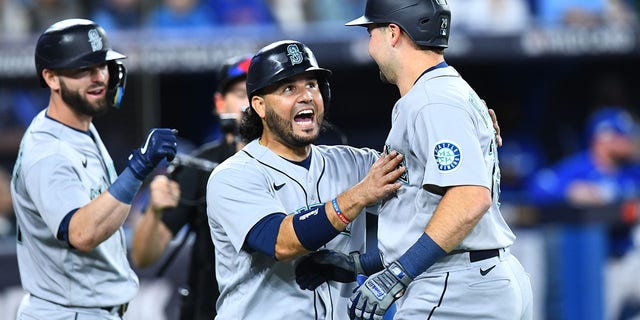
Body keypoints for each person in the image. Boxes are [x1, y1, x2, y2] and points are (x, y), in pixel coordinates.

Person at [296, 1, 533, 319]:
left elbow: (469, 199)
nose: (369, 45)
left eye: (370, 31)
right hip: (475, 277)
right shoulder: (446, 92)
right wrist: (358, 264)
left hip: (456, 286)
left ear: (393, 33)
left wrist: (398, 275)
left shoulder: (432, 100)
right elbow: (424, 213)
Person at [206, 39, 407, 319]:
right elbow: (280, 241)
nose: (306, 96)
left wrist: (474, 131)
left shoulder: (355, 163)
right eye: (289, 88)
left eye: (312, 85)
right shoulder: (233, 175)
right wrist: (359, 195)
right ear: (260, 106)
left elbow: (427, 192)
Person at [10, 19, 177, 319]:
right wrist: (138, 168)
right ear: (51, 78)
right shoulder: (48, 152)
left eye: (101, 66)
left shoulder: (78, 126)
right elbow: (82, 233)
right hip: (69, 312)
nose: (98, 77)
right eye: (82, 70)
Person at [130, 54, 252, 320]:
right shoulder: (199, 167)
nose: (249, 104)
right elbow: (143, 257)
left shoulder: (292, 161)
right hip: (209, 311)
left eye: (257, 93)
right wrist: (154, 211)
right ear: (220, 103)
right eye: (241, 94)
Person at [528, 106, 640, 320]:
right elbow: (538, 187)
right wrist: (570, 191)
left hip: (630, 259)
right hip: (599, 267)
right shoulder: (579, 169)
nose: (629, 140)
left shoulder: (632, 171)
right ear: (603, 138)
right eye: (622, 136)